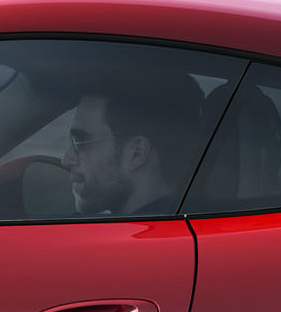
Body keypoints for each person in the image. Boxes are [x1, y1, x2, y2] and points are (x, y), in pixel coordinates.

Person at [60, 67, 207, 217]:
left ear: (136, 153)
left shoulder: (117, 237)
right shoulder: (190, 222)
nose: (66, 160)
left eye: (80, 142)